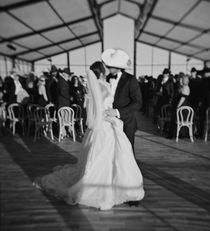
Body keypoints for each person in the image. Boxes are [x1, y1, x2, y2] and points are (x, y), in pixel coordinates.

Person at [33, 61, 144, 210]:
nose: (108, 68)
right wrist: (109, 117)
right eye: (105, 67)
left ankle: (124, 188)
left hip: (115, 123)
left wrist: (113, 115)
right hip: (105, 126)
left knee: (120, 156)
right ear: (101, 71)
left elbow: (135, 102)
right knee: (111, 157)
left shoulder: (102, 85)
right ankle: (115, 188)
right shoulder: (101, 86)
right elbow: (98, 111)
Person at [101, 48, 142, 152]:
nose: (107, 67)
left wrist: (117, 112)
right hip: (108, 122)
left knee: (126, 152)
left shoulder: (130, 79)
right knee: (110, 151)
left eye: (109, 65)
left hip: (126, 122)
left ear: (118, 67)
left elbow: (138, 102)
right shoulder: (105, 79)